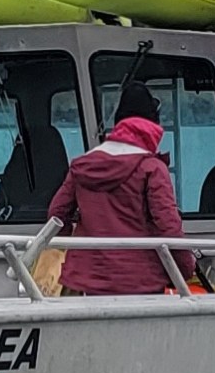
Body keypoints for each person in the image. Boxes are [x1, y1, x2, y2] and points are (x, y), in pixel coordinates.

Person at [45, 82, 185, 296]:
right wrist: (184, 268)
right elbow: (169, 227)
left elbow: (57, 214)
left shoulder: (82, 165)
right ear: (153, 126)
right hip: (140, 283)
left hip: (85, 282)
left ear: (119, 124)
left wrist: (73, 244)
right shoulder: (152, 168)